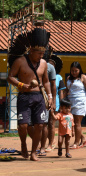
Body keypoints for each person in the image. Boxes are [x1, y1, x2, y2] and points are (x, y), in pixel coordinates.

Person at [7, 28, 51, 161]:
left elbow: (46, 82)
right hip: (24, 96)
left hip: (39, 97)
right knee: (23, 125)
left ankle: (33, 152)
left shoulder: (43, 64)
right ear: (31, 51)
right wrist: (21, 85)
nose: (41, 56)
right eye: (39, 53)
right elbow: (10, 77)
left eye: (43, 53)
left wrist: (50, 97)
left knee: (40, 125)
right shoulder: (20, 61)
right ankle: (23, 144)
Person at [67, 62, 86, 149]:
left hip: (80, 102)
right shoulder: (68, 78)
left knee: (77, 123)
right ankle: (83, 138)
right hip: (70, 102)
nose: (74, 72)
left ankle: (76, 143)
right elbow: (66, 90)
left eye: (76, 70)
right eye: (72, 70)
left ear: (80, 70)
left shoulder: (83, 78)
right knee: (72, 123)